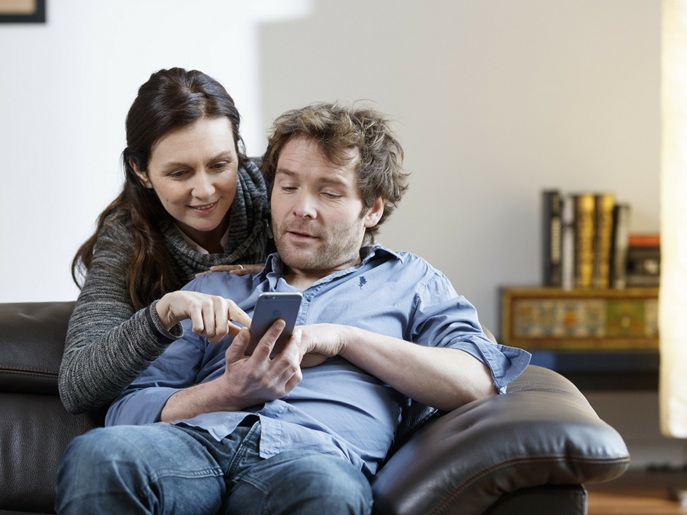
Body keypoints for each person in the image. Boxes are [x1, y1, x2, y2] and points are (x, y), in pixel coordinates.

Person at [56, 103, 531, 514]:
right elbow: (127, 408)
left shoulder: (411, 283)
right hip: (196, 446)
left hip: (311, 458)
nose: (302, 208)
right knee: (100, 454)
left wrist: (343, 338)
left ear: (372, 208)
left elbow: (477, 380)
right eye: (287, 187)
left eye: (329, 192)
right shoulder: (216, 287)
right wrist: (226, 392)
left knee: (323, 492)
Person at [59, 68, 273, 414]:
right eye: (179, 173)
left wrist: (272, 268)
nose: (205, 190)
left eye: (219, 165)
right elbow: (77, 386)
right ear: (140, 170)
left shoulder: (282, 191)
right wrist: (165, 312)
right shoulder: (127, 237)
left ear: (238, 151)